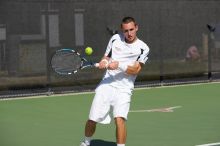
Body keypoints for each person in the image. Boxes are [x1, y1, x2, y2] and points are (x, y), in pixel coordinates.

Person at [79, 16, 150, 146]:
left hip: (124, 88)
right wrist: (104, 62)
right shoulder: (115, 39)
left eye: (131, 29)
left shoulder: (143, 48)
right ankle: (86, 142)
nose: (129, 33)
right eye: (126, 30)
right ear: (122, 30)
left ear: (136, 28)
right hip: (107, 84)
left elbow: (136, 70)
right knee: (92, 118)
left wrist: (119, 65)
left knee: (119, 119)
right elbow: (107, 56)